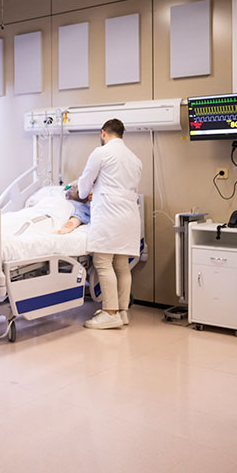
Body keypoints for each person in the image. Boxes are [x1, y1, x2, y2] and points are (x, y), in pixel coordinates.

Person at [77, 119, 142, 329]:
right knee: (122, 265)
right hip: (129, 216)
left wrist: (82, 192)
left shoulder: (101, 153)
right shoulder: (135, 159)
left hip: (109, 214)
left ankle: (110, 313)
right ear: (122, 135)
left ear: (103, 133)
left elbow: (84, 185)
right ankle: (122, 312)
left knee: (103, 262)